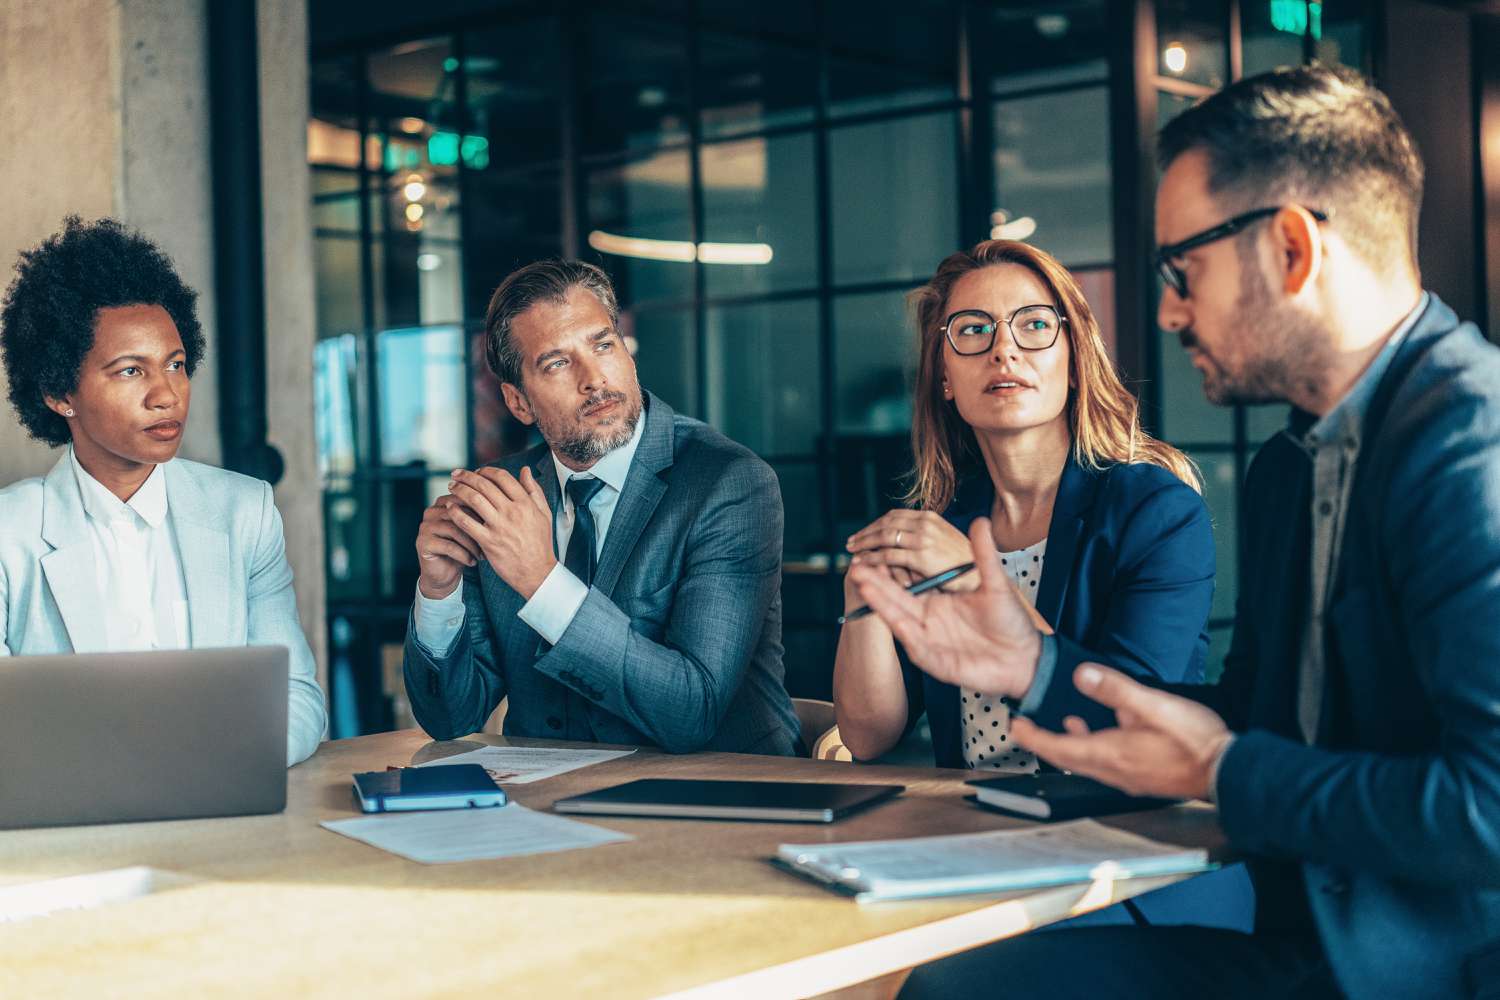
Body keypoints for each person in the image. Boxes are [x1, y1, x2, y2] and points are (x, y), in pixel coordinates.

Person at [852, 64, 1500, 1000]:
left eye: (1181, 270)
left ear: (1290, 250)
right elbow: (1248, 717)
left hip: (1437, 971)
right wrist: (1029, 669)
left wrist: (1226, 771)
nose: (1165, 310)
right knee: (946, 985)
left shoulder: (1470, 448)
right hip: (1309, 945)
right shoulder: (1294, 466)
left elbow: (1487, 811)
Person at [832, 238, 1250, 929]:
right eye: (972, 331)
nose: (1004, 351)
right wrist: (865, 602)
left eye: (1033, 324)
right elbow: (870, 736)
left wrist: (972, 580)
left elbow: (1136, 714)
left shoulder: (1156, 509)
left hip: (1125, 864)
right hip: (970, 842)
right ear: (943, 375)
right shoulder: (945, 521)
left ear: (1073, 355)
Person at [402, 259, 799, 755]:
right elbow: (449, 717)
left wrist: (542, 581)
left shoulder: (728, 484)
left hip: (718, 800)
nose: (594, 379)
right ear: (519, 403)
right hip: (548, 811)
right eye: (557, 363)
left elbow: (692, 712)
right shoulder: (505, 496)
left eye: (603, 344)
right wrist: (438, 592)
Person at [0, 217, 327, 766]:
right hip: (69, 833)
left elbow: (297, 697)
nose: (167, 394)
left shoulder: (244, 511)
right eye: (131, 371)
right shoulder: (10, 533)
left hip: (220, 814)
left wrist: (214, 766)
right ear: (60, 393)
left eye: (176, 365)